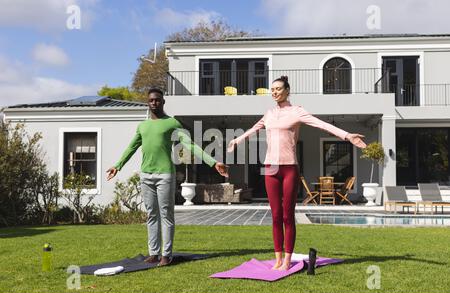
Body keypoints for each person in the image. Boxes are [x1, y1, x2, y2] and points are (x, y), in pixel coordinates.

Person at [227, 76, 366, 271]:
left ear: (287, 91)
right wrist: (237, 140)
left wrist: (346, 135)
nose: (274, 92)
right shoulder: (269, 114)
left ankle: (287, 259)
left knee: (287, 215)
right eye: (272, 89)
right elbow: (253, 129)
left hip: (289, 167)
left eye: (278, 89)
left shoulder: (297, 112)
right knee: (275, 215)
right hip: (271, 168)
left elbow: (321, 124)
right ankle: (277, 259)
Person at [107, 87, 228, 267]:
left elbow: (190, 145)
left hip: (165, 175)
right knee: (151, 215)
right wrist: (117, 166)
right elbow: (131, 148)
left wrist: (212, 162)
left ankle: (166, 254)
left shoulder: (172, 123)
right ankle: (154, 253)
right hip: (146, 175)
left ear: (163, 102)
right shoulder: (143, 126)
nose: (154, 103)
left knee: (166, 214)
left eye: (157, 100)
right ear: (147, 103)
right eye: (151, 100)